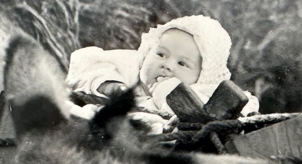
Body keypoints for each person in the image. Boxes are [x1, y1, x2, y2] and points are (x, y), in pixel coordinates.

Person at [65, 15, 259, 130]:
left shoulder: (206, 93)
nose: (167, 65)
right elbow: (87, 65)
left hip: (160, 141)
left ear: (203, 76)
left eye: (182, 64)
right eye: (161, 54)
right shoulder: (133, 68)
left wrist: (169, 93)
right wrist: (109, 85)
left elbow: (241, 110)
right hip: (102, 126)